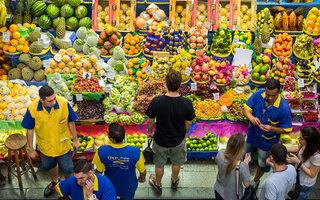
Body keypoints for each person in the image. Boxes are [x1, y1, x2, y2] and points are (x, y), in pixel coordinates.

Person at [21, 85, 80, 197]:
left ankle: (70, 186)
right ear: (42, 100)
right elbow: (29, 129)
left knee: (67, 168)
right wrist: (31, 149)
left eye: (54, 98)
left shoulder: (63, 103)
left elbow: (71, 122)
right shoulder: (33, 108)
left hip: (62, 144)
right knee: (50, 165)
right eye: (50, 101)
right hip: (45, 146)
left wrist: (76, 140)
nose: (54, 102)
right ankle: (54, 181)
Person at [145, 70, 195, 194]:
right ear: (180, 85)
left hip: (161, 140)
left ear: (166, 84)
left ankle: (157, 184)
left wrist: (150, 132)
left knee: (159, 163)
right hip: (178, 139)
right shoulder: (187, 103)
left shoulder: (157, 101)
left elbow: (150, 120)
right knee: (177, 161)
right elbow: (189, 122)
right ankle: (174, 180)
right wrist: (185, 133)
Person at [243, 79, 292, 189]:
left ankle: (255, 181)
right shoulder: (259, 94)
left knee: (263, 164)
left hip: (267, 142)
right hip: (252, 135)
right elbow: (245, 109)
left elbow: (287, 129)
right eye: (268, 94)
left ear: (279, 92)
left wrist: (272, 128)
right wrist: (251, 118)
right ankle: (244, 177)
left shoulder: (284, 108)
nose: (269, 98)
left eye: (273, 95)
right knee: (246, 157)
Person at [92, 123, 146, 200]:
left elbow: (98, 172)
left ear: (112, 139)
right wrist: (141, 178)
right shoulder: (136, 151)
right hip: (129, 187)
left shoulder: (102, 151)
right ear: (124, 135)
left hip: (110, 186)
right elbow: (143, 172)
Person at [214, 133, 251, 200]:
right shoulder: (242, 166)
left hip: (219, 191)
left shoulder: (220, 153)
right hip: (233, 196)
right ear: (241, 149)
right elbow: (247, 184)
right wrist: (246, 163)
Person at [286, 127, 320, 200]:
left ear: (309, 141)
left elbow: (312, 174)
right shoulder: (303, 144)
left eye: (301, 138)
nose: (298, 139)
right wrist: (283, 149)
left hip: (305, 185)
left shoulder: (317, 155)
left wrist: (298, 162)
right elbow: (297, 149)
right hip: (298, 177)